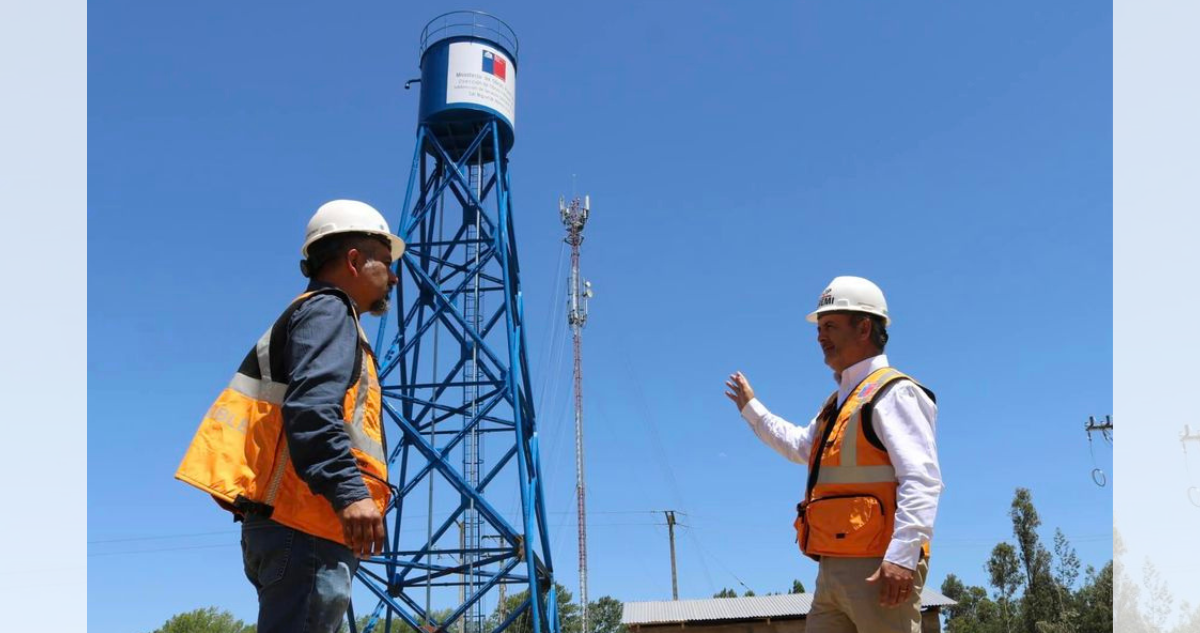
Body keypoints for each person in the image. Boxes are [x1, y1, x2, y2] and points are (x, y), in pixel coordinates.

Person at [177, 199, 405, 633]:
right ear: (354, 260)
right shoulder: (329, 310)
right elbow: (312, 408)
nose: (393, 275)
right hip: (305, 524)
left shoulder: (318, 314)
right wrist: (349, 491)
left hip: (299, 525)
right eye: (385, 260)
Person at [724, 276, 942, 633]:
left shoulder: (895, 393)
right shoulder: (838, 403)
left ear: (864, 328)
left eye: (829, 326)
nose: (820, 337)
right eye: (819, 328)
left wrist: (902, 556)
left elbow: (921, 479)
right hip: (832, 565)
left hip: (879, 564)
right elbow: (798, 446)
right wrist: (752, 409)